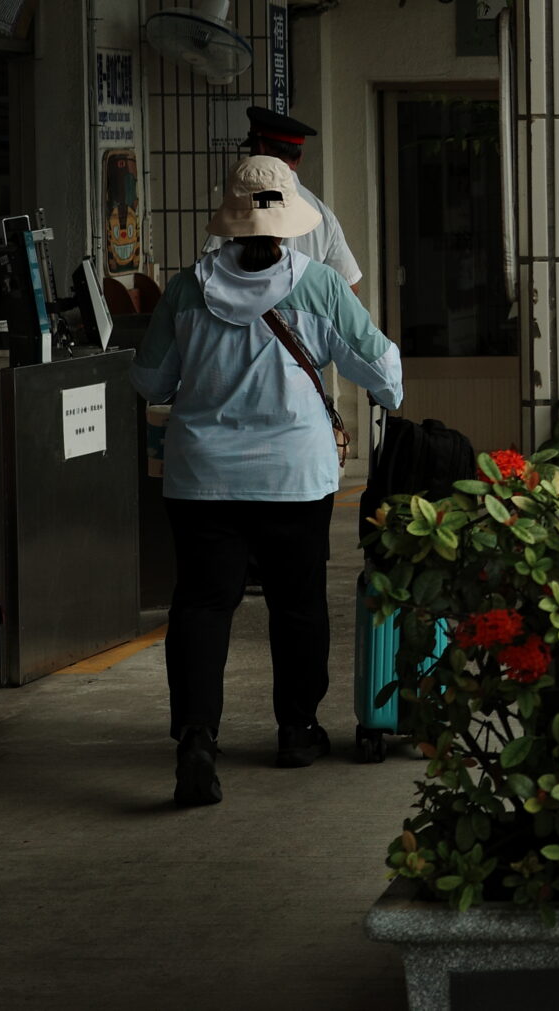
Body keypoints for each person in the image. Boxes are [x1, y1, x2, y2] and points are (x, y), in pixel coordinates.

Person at [132, 154, 403, 808]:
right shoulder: (319, 286)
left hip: (201, 477)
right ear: (287, 225)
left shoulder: (185, 290)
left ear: (230, 221)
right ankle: (297, 727)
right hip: (294, 476)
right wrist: (387, 389)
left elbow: (150, 382)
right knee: (298, 601)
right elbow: (380, 368)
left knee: (202, 603)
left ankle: (197, 734)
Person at [202, 106, 361, 289]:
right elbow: (350, 286)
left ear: (259, 148)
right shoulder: (323, 215)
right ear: (299, 158)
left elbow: (210, 276)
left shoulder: (242, 202)